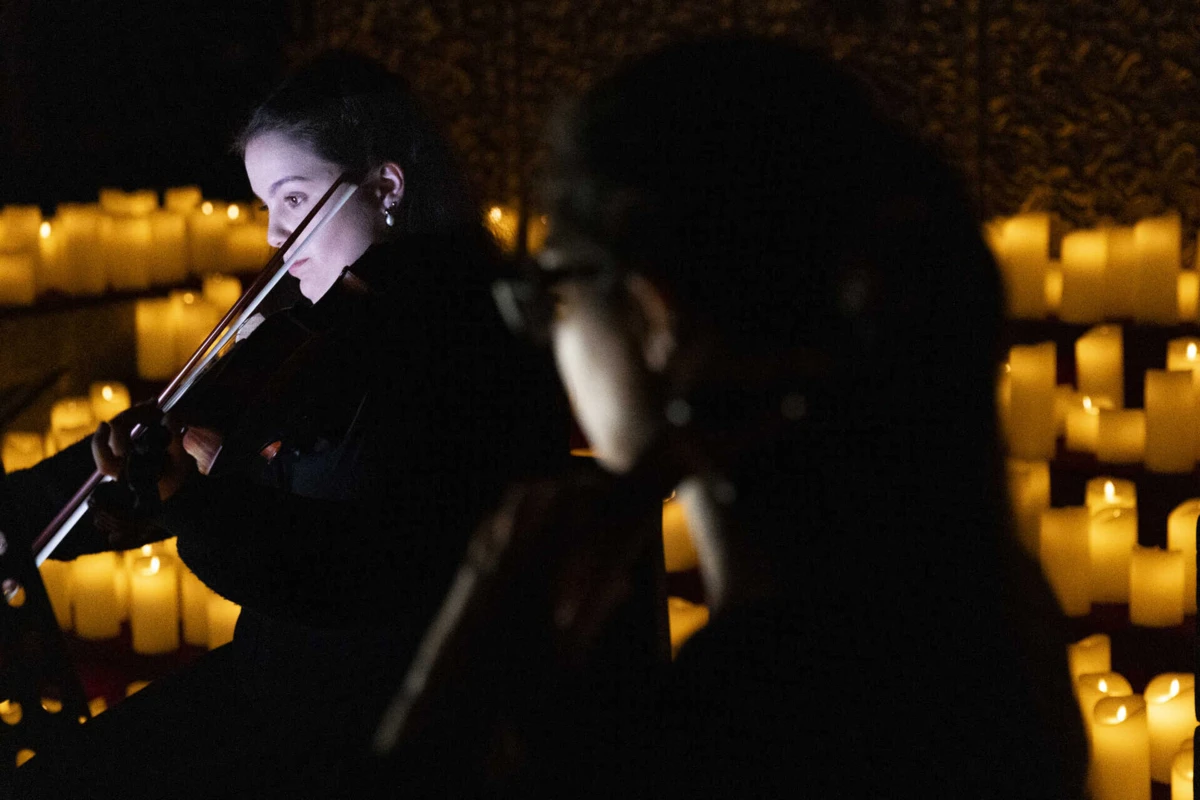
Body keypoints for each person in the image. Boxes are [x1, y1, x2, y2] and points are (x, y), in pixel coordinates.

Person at [379, 37, 1088, 798]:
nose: (553, 338)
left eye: (555, 289)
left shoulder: (729, 726)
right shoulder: (979, 613)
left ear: (656, 315)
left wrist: (457, 682)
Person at [10, 51, 572, 799]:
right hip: (283, 680)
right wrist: (19, 514)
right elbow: (179, 442)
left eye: (294, 198)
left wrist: (196, 500)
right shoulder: (314, 331)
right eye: (265, 204)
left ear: (385, 186)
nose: (277, 236)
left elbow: (358, 571)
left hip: (386, 721)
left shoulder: (471, 345)